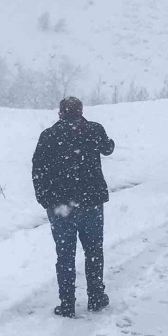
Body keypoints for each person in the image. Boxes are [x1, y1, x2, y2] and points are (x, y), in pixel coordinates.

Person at [31, 97, 115, 318]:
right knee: (94, 252)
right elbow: (108, 148)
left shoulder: (49, 136)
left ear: (60, 113)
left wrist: (45, 199)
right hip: (91, 203)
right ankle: (96, 297)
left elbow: (37, 169)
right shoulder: (94, 130)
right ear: (81, 111)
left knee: (65, 256)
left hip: (61, 207)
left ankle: (67, 303)